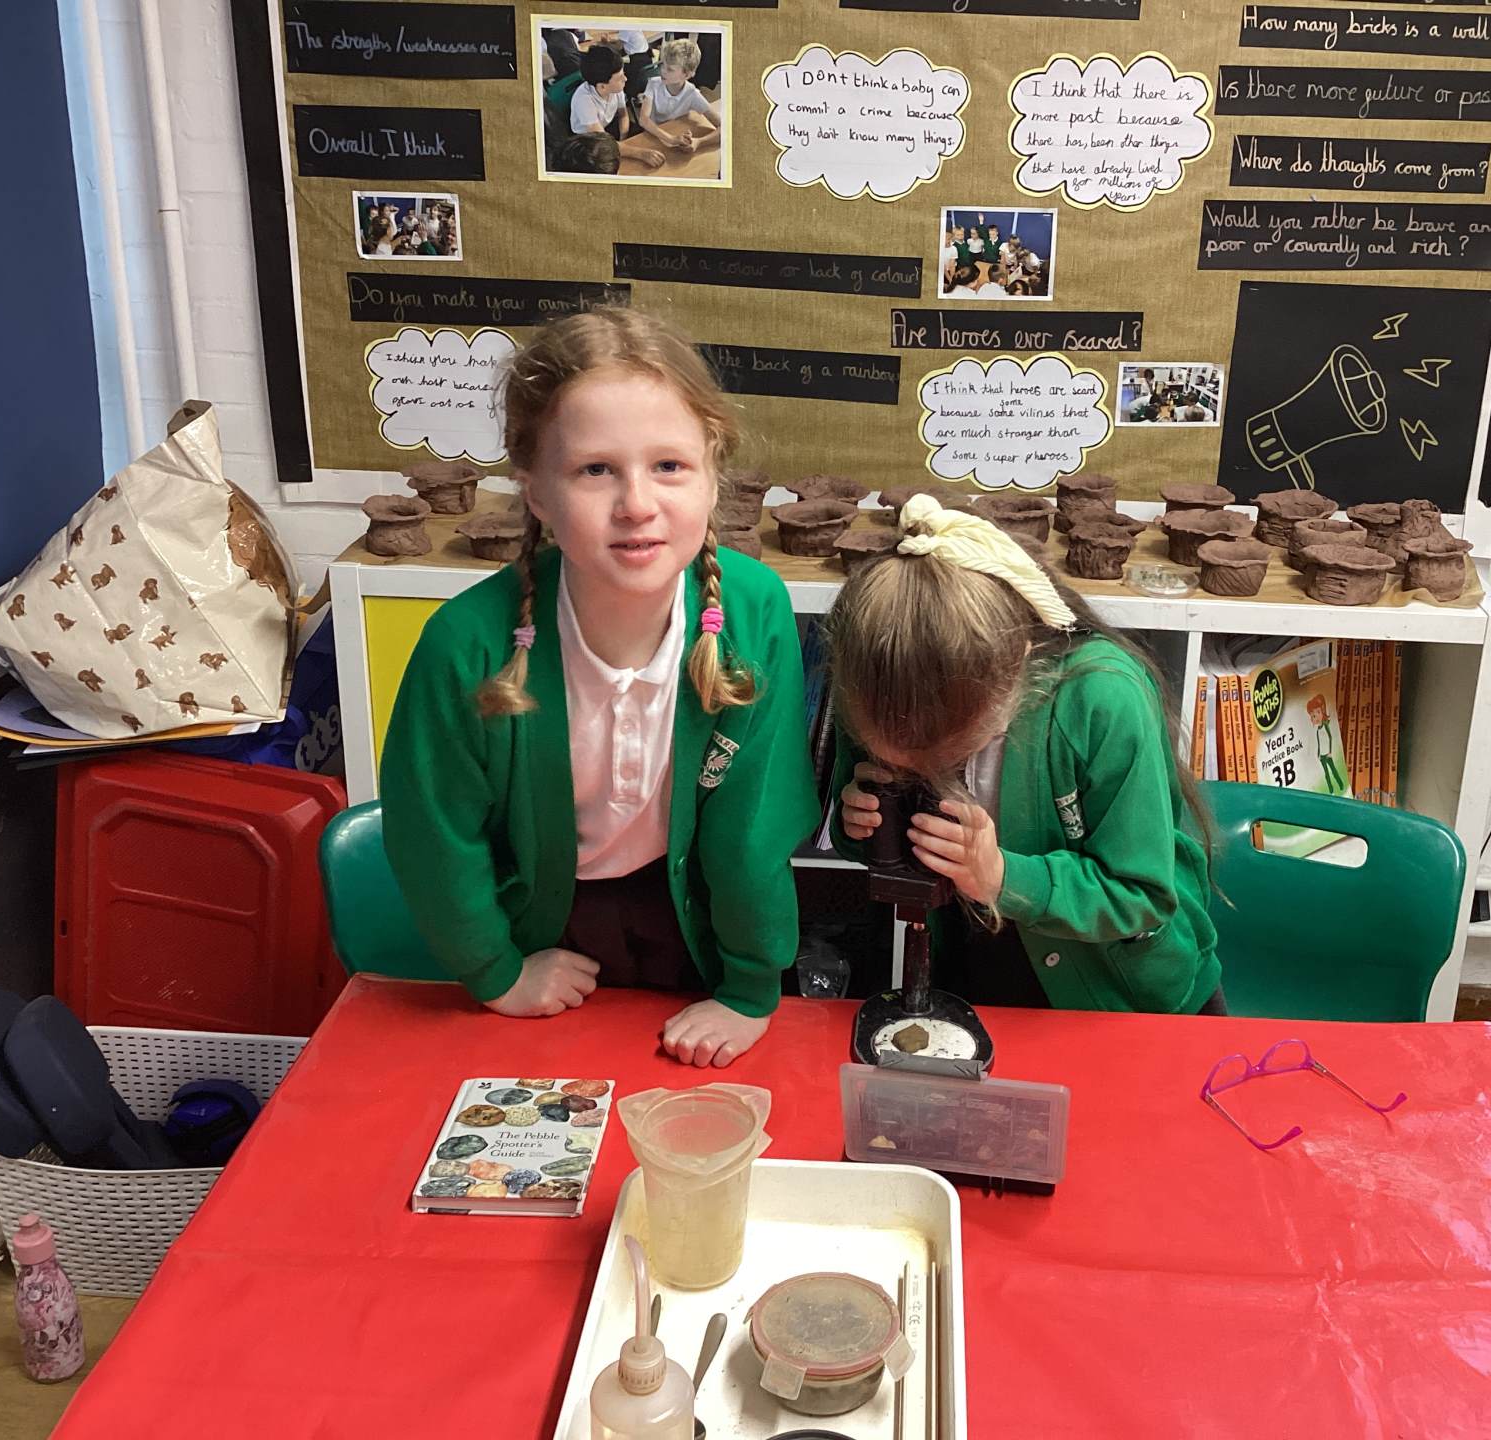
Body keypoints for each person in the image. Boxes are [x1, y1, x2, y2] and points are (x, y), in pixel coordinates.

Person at [380, 308, 819, 1067]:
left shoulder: (754, 615)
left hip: (698, 924)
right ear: (537, 494)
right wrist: (496, 972)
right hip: (535, 932)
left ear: (713, 473)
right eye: (595, 470)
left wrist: (751, 987)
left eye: (669, 465)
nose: (637, 504)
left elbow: (752, 827)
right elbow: (435, 835)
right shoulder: (467, 644)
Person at [826, 497, 1222, 1015]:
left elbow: (1141, 895)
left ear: (1016, 665)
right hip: (976, 964)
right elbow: (875, 837)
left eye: (945, 756)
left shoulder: (1103, 700)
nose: (921, 773)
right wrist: (857, 828)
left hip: (1118, 993)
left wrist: (1002, 877)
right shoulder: (877, 687)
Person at [637, 37, 719, 154]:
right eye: (663, 65)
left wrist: (699, 142)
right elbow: (643, 120)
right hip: (654, 136)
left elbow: (725, 128)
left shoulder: (692, 94)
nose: (663, 71)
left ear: (687, 75)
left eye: (670, 69)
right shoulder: (654, 84)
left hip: (678, 137)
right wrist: (671, 139)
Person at [571, 46, 632, 141]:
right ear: (602, 86)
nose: (625, 79)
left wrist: (623, 139)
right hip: (588, 136)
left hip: (607, 125)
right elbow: (602, 140)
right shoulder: (584, 100)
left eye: (623, 73)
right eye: (620, 77)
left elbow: (623, 115)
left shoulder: (616, 87)